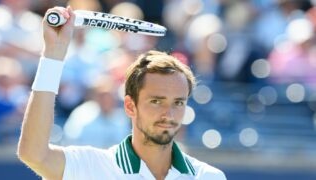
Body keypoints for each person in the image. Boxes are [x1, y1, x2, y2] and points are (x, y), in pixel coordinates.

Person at [17, 6, 226, 180]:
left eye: (178, 102)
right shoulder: (91, 166)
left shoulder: (209, 176)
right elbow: (34, 154)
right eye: (156, 101)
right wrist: (53, 55)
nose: (169, 113)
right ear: (129, 106)